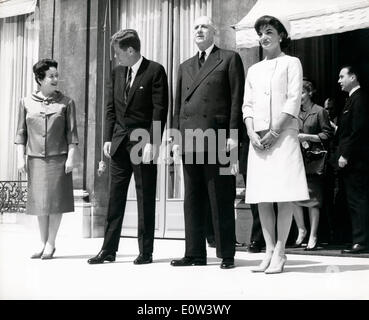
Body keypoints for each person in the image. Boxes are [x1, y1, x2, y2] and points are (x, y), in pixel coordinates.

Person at [88, 29, 168, 264]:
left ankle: (145, 252)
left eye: (118, 53)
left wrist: (154, 142)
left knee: (145, 197)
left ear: (131, 50)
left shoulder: (154, 71)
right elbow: (111, 107)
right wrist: (108, 137)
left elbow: (159, 110)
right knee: (115, 197)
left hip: (143, 142)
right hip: (120, 143)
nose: (116, 57)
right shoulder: (117, 72)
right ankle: (108, 249)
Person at [170, 16, 244, 269]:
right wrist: (175, 137)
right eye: (195, 27)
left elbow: (236, 100)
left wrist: (233, 135)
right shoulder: (185, 66)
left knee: (221, 197)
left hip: (218, 137)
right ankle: (194, 254)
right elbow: (178, 105)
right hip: (190, 139)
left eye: (204, 26)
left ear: (214, 32)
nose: (199, 30)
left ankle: (226, 254)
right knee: (192, 199)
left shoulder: (229, 58)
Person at [242, 15, 309, 274]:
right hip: (258, 140)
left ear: (281, 35)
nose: (264, 36)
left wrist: (274, 131)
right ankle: (268, 250)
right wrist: (250, 131)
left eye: (269, 31)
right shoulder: (254, 70)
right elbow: (247, 105)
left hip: (283, 137)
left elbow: (293, 101)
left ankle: (281, 250)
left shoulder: (292, 63)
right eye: (260, 33)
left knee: (283, 196)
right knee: (262, 197)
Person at [15, 58, 79, 260]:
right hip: (35, 159)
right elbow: (20, 134)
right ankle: (41, 242)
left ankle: (51, 243)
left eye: (56, 75)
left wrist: (70, 159)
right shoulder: (25, 102)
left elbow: (72, 135)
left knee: (56, 202)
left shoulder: (67, 102)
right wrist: (20, 159)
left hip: (58, 159)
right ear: (40, 79)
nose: (55, 79)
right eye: (51, 76)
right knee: (40, 203)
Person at [292, 79, 334, 250]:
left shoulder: (320, 111)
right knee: (293, 197)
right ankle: (301, 230)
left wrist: (307, 137)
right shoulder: (294, 113)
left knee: (313, 200)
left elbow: (327, 135)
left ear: (310, 93)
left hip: (313, 161)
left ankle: (313, 235)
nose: (300, 96)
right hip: (296, 160)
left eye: (302, 92)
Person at [336, 65, 369, 254]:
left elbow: (359, 130)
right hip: (351, 161)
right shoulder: (352, 99)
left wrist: (345, 155)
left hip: (356, 161)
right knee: (353, 201)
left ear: (353, 77)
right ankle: (358, 238)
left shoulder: (359, 99)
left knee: (358, 201)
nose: (339, 81)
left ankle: (361, 241)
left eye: (342, 76)